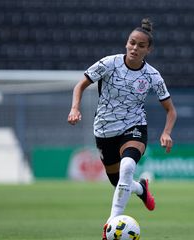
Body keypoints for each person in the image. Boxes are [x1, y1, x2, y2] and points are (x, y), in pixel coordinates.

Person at [67, 18, 177, 240]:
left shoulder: (153, 76)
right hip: (104, 130)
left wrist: (166, 132)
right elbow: (80, 85)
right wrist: (75, 108)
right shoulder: (109, 63)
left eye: (141, 45)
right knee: (119, 182)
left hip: (134, 126)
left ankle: (109, 227)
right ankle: (141, 189)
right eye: (132, 43)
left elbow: (171, 111)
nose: (135, 48)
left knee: (127, 168)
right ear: (127, 43)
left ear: (149, 49)